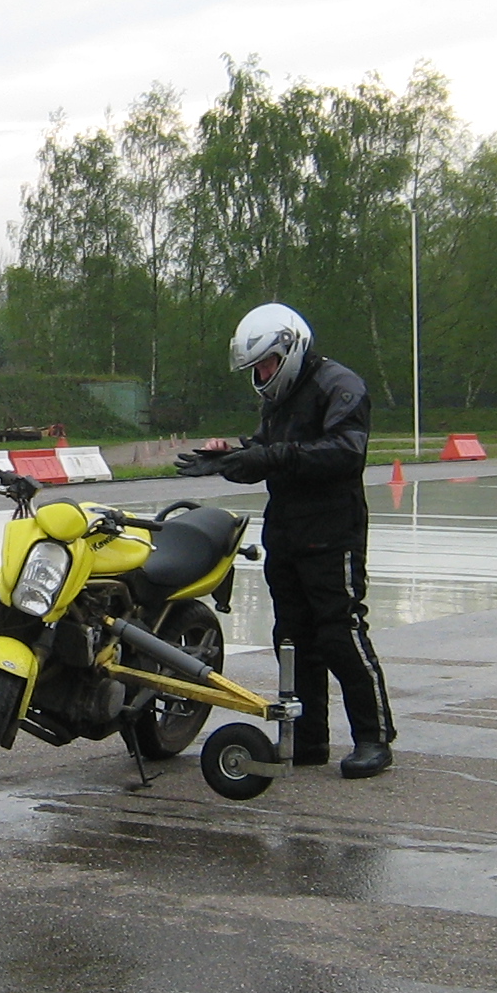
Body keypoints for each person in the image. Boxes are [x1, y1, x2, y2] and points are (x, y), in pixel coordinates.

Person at [175, 303, 394, 777]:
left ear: (290, 349)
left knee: (340, 632)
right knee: (291, 637)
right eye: (256, 368)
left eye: (266, 364)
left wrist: (268, 457)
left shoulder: (341, 385)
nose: (261, 375)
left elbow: (345, 452)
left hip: (333, 532)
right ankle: (307, 740)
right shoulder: (280, 396)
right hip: (287, 530)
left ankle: (374, 738)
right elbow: (267, 451)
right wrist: (229, 458)